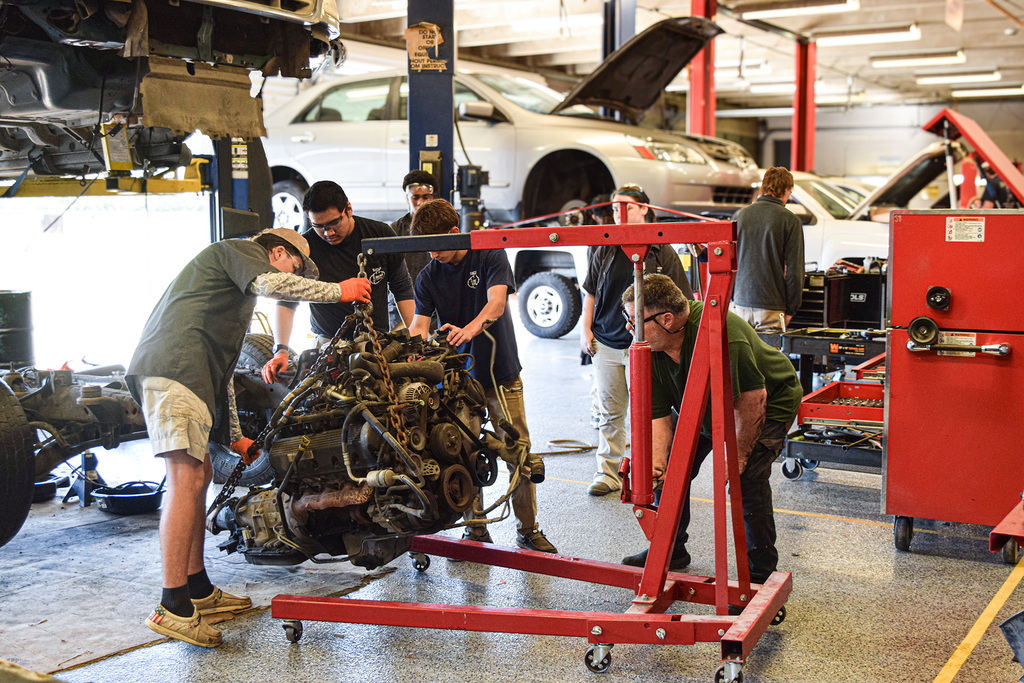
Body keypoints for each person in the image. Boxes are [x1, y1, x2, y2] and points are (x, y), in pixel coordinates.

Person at [126, 228, 372, 647]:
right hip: (174, 372)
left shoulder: (231, 297)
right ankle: (172, 606)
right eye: (295, 266)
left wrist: (235, 437)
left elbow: (224, 373)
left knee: (201, 474)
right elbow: (272, 282)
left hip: (191, 376)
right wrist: (338, 290)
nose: (292, 278)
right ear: (277, 251)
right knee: (186, 477)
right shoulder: (239, 251)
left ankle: (198, 590)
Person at [619, 274, 801, 581]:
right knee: (672, 471)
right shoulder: (648, 347)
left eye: (634, 319)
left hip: (764, 402)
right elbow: (659, 418)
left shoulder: (722, 331)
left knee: (746, 481)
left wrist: (739, 456)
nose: (628, 327)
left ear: (666, 319)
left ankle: (760, 574)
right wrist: (659, 465)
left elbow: (753, 399)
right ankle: (669, 548)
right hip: (700, 406)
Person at [408, 198, 556, 554]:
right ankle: (475, 530)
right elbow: (419, 325)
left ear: (455, 234)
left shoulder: (489, 254)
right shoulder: (428, 275)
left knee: (517, 452)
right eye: (426, 248)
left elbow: (497, 304)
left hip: (500, 374)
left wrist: (469, 329)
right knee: (462, 454)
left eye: (437, 246)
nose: (433, 255)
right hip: (459, 384)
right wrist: (408, 349)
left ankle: (528, 529)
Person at [579, 185, 692, 497]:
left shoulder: (662, 250)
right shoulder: (603, 246)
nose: (619, 214)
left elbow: (682, 301)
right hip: (605, 341)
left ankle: (651, 471)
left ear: (644, 209)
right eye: (614, 208)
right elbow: (590, 292)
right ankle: (608, 472)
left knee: (650, 411)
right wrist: (585, 328)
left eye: (626, 207)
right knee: (609, 412)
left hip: (646, 346)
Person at [262, 181, 416, 382]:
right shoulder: (306, 250)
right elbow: (287, 301)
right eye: (318, 226)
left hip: (377, 343)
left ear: (348, 209)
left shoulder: (380, 235)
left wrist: (414, 340)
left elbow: (402, 289)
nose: (328, 233)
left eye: (334, 223)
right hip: (328, 346)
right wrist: (281, 350)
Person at [731, 166, 804, 332]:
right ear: (786, 190)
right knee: (768, 357)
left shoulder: (741, 215)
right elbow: (795, 271)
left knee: (744, 356)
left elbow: (730, 258)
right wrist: (792, 309)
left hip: (740, 304)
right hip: (770, 307)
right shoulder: (789, 220)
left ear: (763, 187)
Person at [388, 169, 438, 329]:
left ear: (432, 197)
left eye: (426, 197)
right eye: (415, 197)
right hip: (398, 309)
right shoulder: (393, 230)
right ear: (407, 198)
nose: (420, 202)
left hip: (434, 308)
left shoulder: (442, 229)